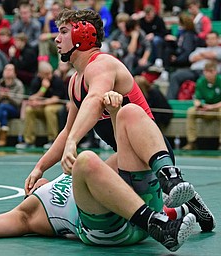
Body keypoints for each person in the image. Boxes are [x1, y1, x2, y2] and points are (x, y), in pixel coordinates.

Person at [0, 100, 198, 252]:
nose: (36, 184)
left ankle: (179, 192)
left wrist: (114, 111)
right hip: (109, 232)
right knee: (85, 161)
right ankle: (162, 220)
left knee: (131, 115)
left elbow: (121, 160)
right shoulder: (26, 214)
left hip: (135, 219)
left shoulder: (59, 181)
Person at [24, 9, 195, 210]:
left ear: (83, 35)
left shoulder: (102, 64)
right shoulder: (75, 81)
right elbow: (67, 131)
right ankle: (185, 204)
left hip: (149, 154)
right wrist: (40, 168)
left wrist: (73, 143)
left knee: (107, 198)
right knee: (89, 191)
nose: (57, 39)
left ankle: (172, 194)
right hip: (123, 157)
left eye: (63, 32)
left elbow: (95, 99)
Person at [15, 61, 66, 150]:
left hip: (57, 106)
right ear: (40, 74)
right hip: (42, 106)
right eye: (46, 74)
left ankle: (52, 140)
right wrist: (43, 89)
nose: (49, 76)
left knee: (49, 109)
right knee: (29, 110)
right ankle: (29, 141)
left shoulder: (57, 80)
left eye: (50, 73)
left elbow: (55, 99)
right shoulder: (36, 81)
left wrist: (40, 103)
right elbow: (31, 98)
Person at [166, 31, 221, 100]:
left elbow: (216, 55)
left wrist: (202, 55)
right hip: (193, 71)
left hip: (209, 72)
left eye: (212, 38)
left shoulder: (219, 50)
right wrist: (209, 56)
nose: (210, 41)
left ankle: (203, 102)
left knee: (204, 78)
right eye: (208, 39)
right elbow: (191, 58)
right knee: (175, 76)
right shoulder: (200, 49)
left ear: (218, 39)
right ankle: (170, 101)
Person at [182, 61, 221, 150]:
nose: (207, 74)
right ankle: (191, 142)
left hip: (217, 109)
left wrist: (212, 107)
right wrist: (198, 104)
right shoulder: (200, 82)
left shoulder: (220, 81)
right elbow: (197, 98)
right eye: (206, 71)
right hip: (204, 109)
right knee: (191, 111)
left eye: (210, 71)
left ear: (215, 71)